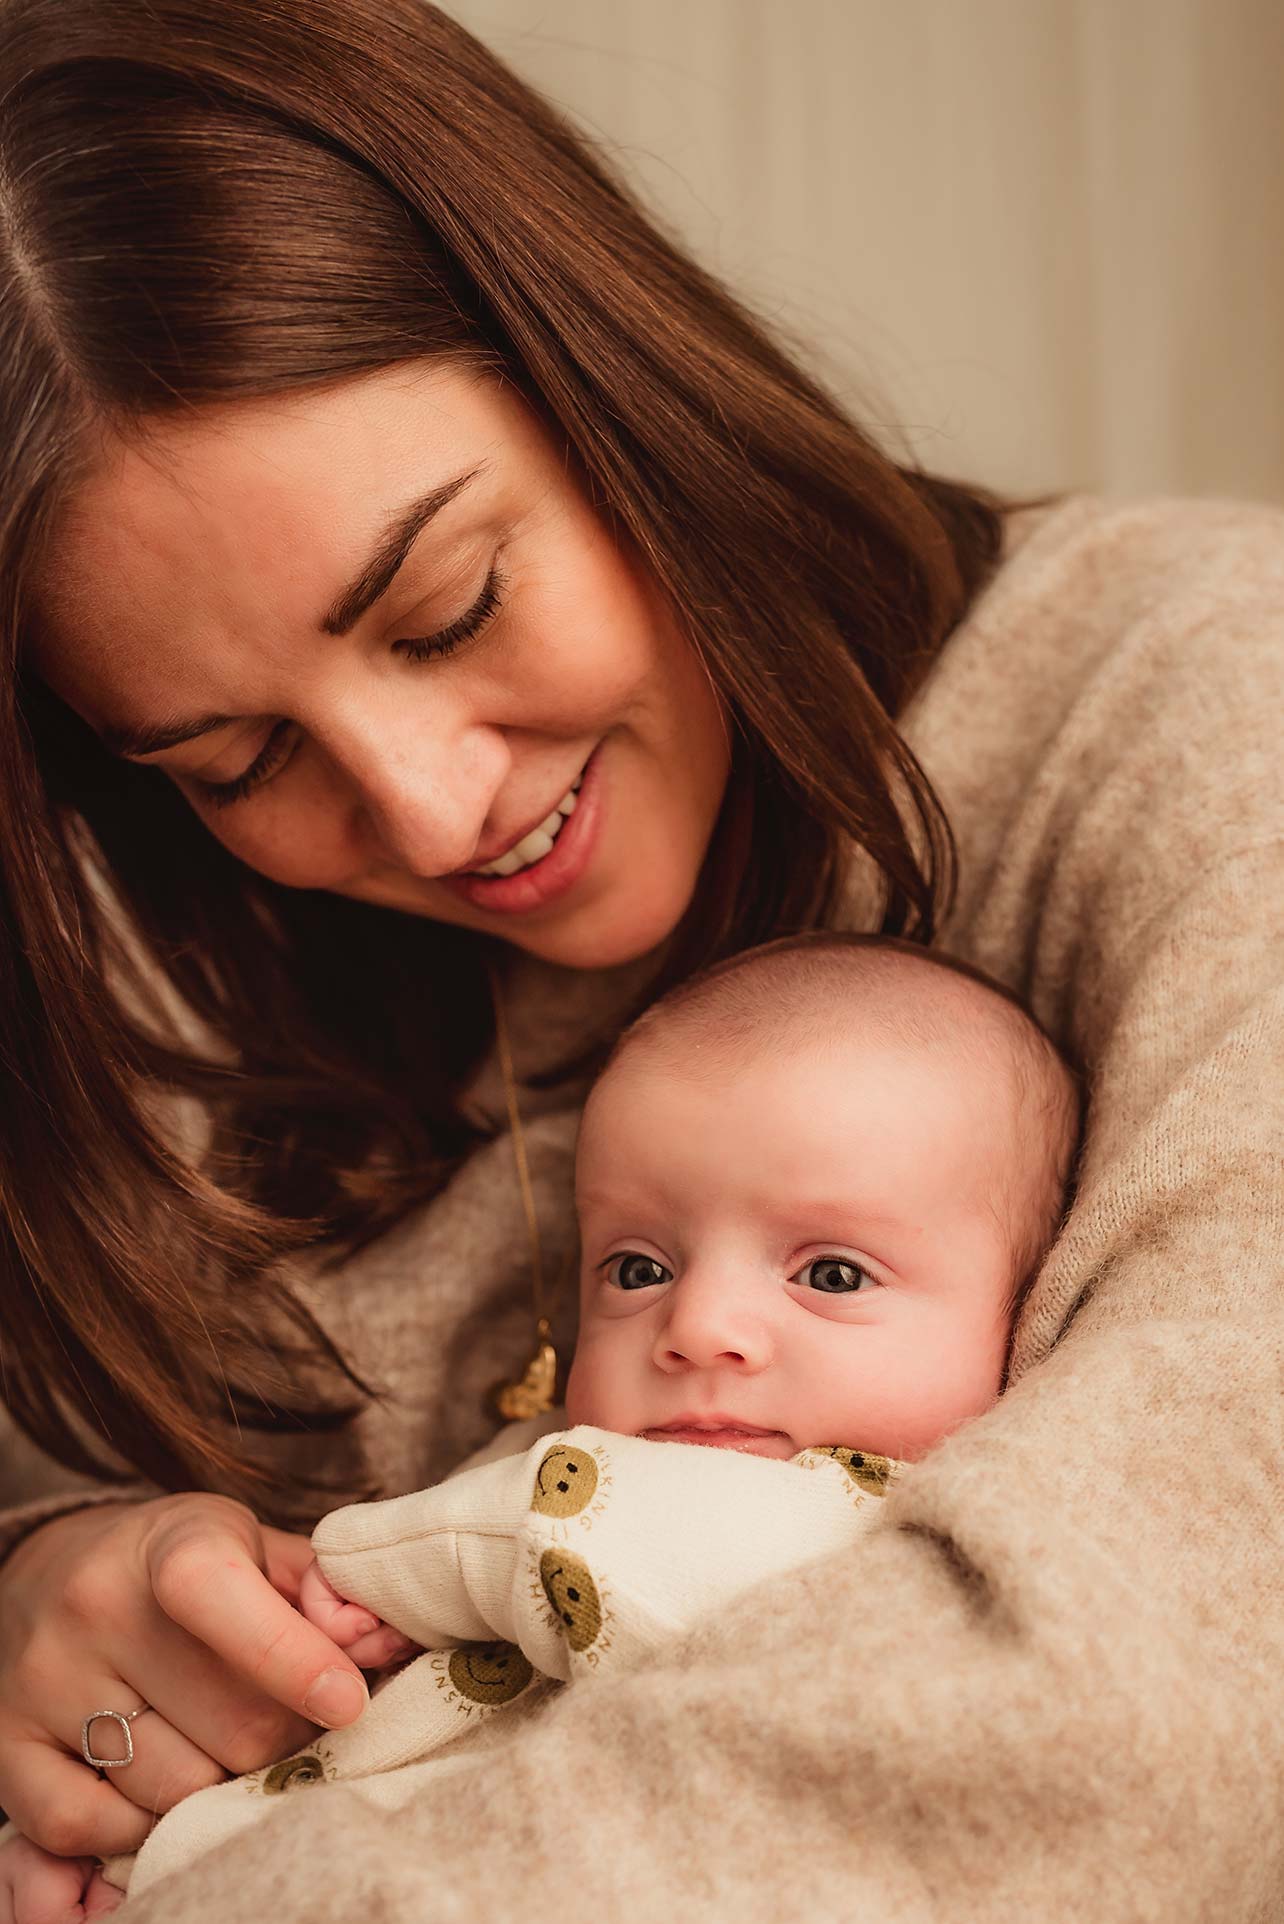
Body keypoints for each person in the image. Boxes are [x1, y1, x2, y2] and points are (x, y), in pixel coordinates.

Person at [0, 0, 1279, 1919]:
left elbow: (1138, 1689)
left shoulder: (1209, 708)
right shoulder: (161, 1004)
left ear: (609, 375)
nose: (429, 818)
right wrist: (40, 1583)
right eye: (235, 757)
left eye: (451, 602)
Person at [0, 933, 1082, 1911]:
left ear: (1026, 1310)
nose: (697, 1327)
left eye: (832, 1271)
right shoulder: (567, 1459)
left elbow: (537, 1540)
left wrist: (360, 1577)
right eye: (638, 1267)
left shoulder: (857, 1532)